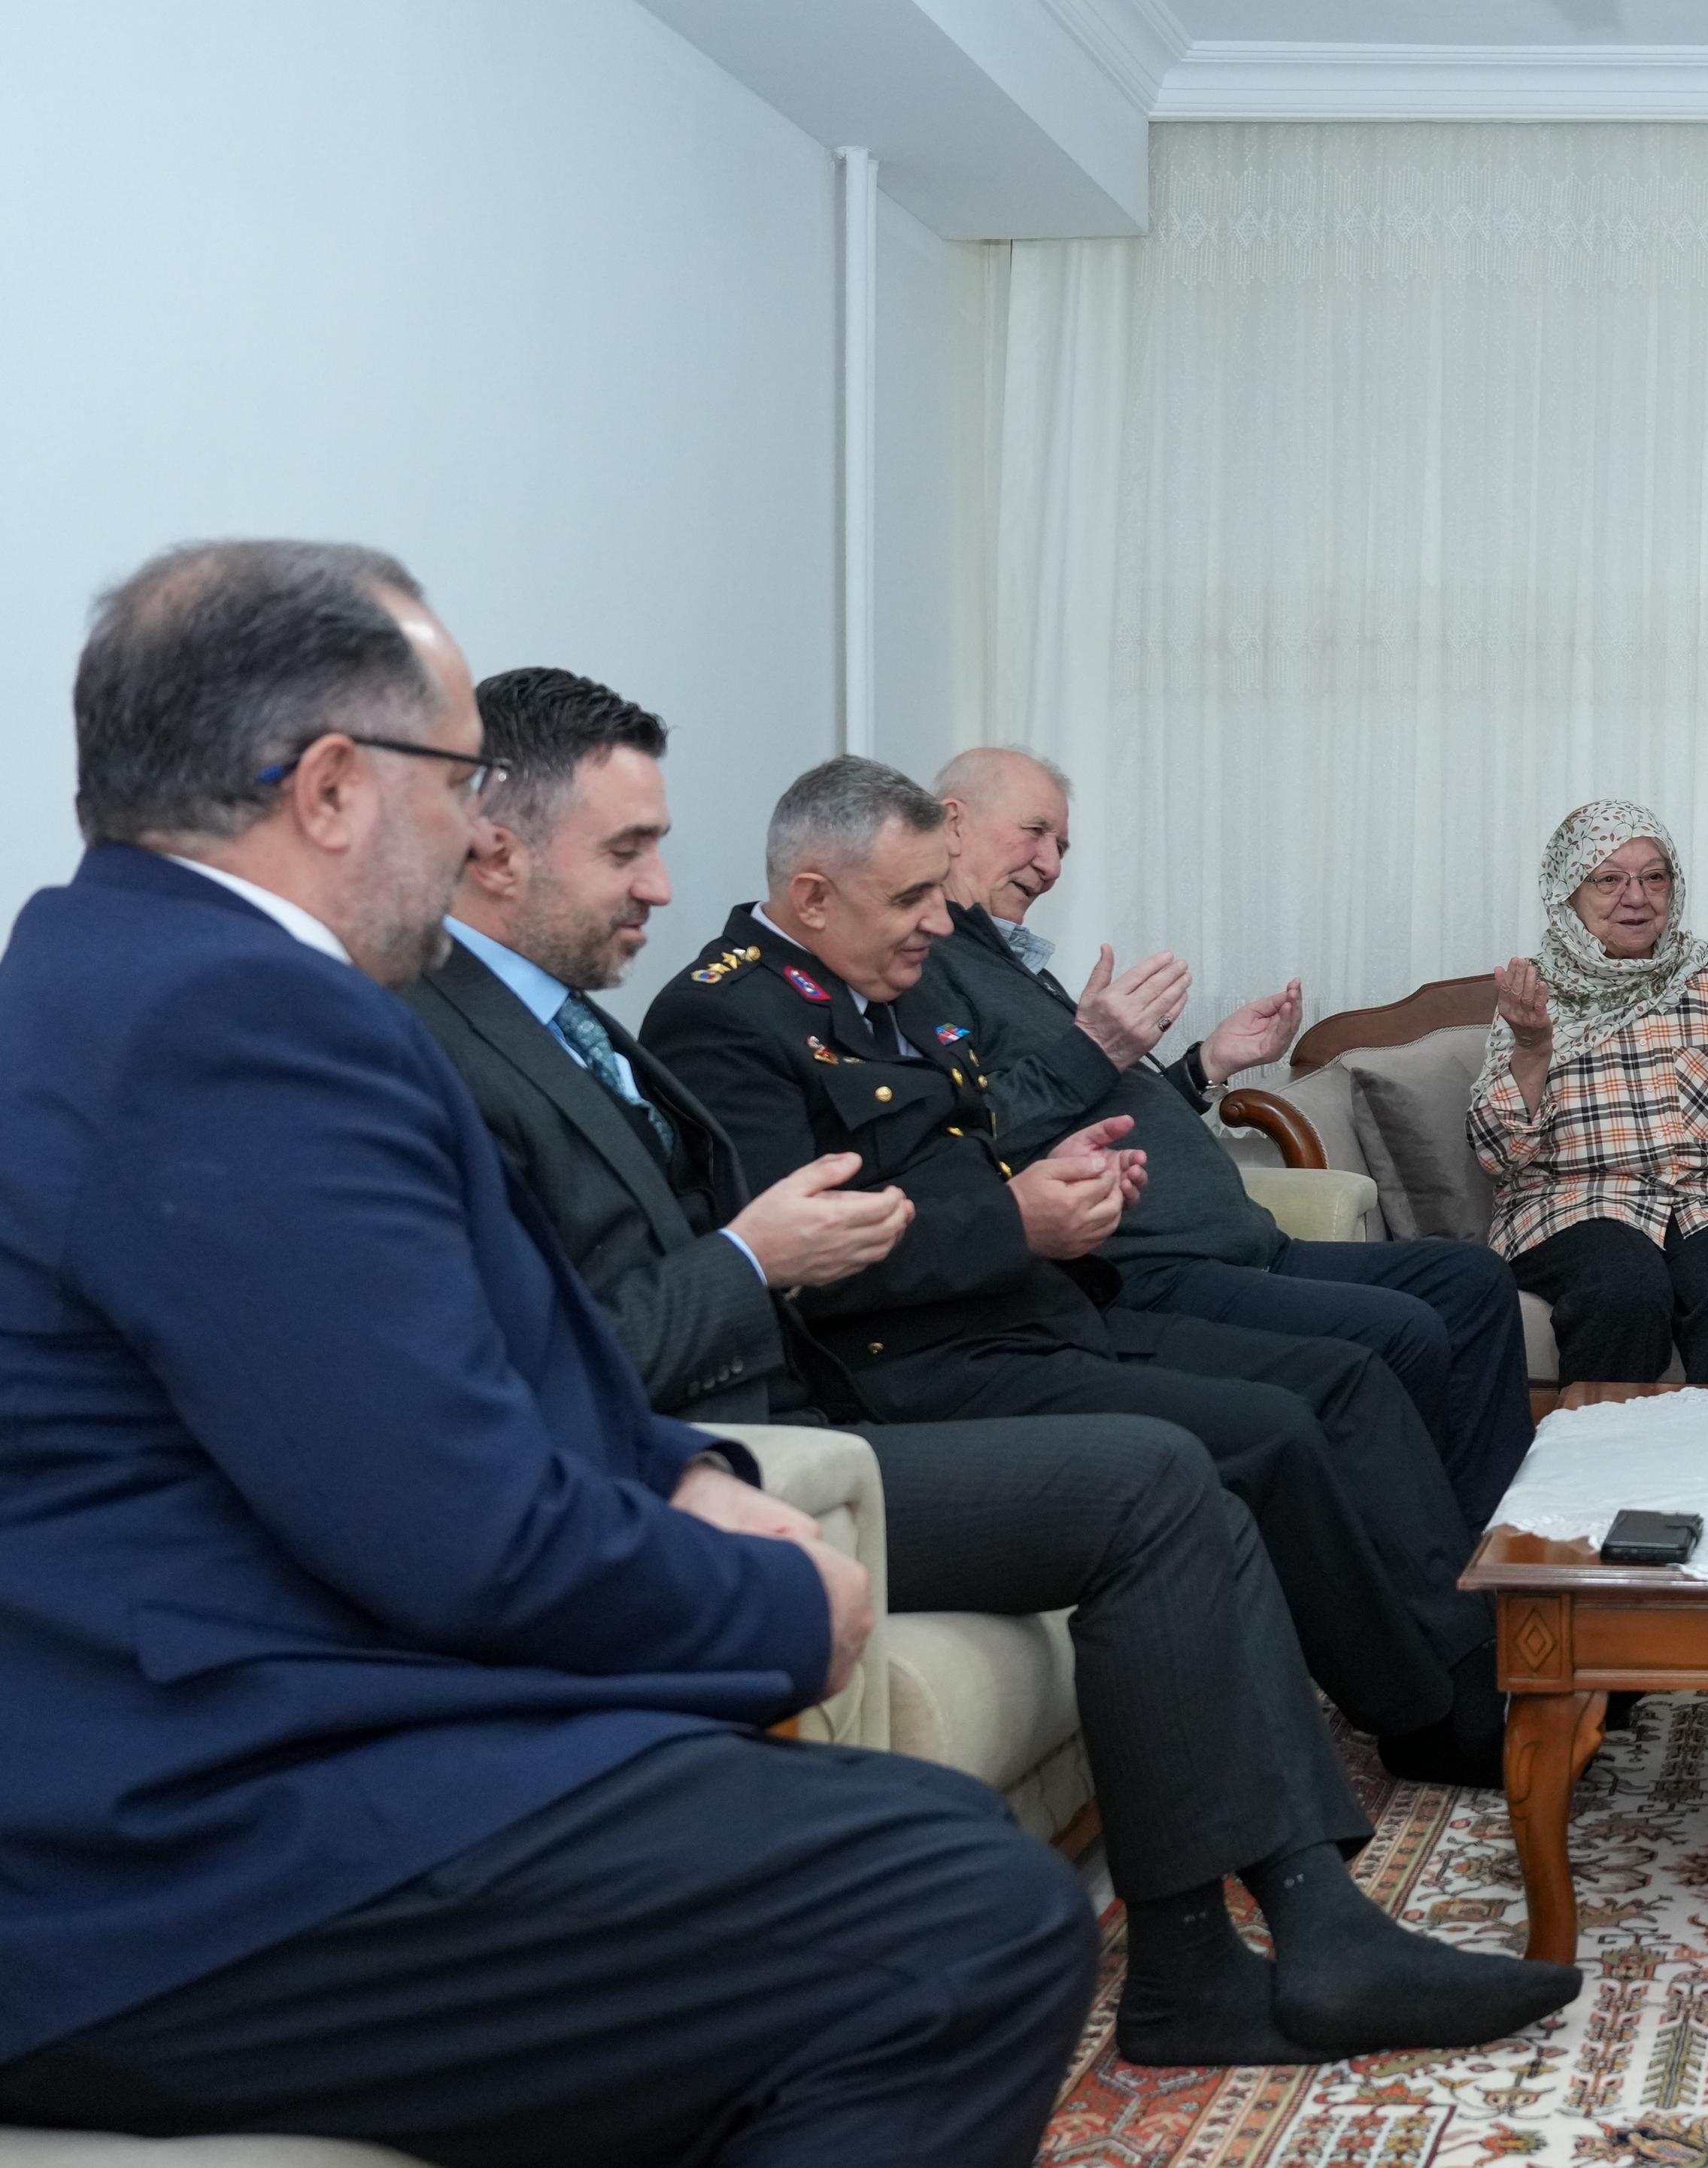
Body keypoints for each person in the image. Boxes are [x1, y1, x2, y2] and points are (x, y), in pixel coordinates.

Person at [0, 542, 1092, 2166]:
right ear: (332, 788)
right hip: (187, 1853)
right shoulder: (232, 1024)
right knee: (965, 1914)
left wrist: (685, 1474)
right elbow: (451, 1527)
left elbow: (475, 1359)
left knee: (903, 1844)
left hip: (253, 1751)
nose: (472, 832)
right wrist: (791, 1605)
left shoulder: (124, 969)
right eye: (457, 782)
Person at [407, 669, 1577, 2066]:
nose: (663, 883)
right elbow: (618, 1317)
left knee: (1211, 1458)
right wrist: (772, 1258)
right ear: (496, 845)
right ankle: (1294, 1918)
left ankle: (1259, 1945)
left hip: (882, 1374)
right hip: (799, 1423)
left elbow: (898, 1178)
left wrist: (1044, 1186)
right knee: (1185, 1467)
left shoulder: (582, 1018)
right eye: (627, 850)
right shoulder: (514, 1032)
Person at [642, 757, 1509, 1786]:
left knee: (1350, 1378)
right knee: (1276, 1427)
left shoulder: (890, 987)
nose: (936, 920)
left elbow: (969, 1148)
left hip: (1046, 1305)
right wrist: (1016, 1215)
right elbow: (810, 1254)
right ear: (814, 896)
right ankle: (1436, 1717)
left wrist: (1065, 1176)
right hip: (927, 1359)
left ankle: (1486, 1665)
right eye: (913, 896)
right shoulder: (725, 1016)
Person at [925, 745, 1534, 1523]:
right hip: (1154, 1269)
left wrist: (1208, 1063)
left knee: (1470, 1279)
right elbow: (968, 1133)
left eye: (1063, 847)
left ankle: (1493, 1533)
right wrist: (1094, 1046)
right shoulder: (925, 968)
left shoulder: (1011, 966)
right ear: (952, 822)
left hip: (1246, 1243)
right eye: (1034, 832)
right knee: (1404, 1329)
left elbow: (1104, 1105)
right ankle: (1427, 1556)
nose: (1049, 865)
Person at [1471, 800, 1708, 1384]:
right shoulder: (1537, 992)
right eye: (1609, 880)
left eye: (1654, 877)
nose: (1637, 897)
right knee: (1625, 1282)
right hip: (1571, 1209)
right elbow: (1499, 1155)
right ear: (1568, 892)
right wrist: (1532, 1048)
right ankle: (1603, 1443)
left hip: (1700, 1205)